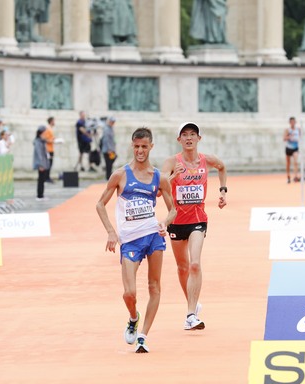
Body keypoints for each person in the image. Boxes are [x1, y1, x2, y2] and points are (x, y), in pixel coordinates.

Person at [96, 127, 176, 354]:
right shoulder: (120, 175)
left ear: (151, 146)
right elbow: (100, 204)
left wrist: (165, 223)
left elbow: (173, 211)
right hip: (130, 241)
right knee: (129, 293)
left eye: (144, 146)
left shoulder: (159, 177)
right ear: (132, 146)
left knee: (154, 286)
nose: (140, 151)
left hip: (153, 236)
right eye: (137, 146)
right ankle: (133, 317)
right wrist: (111, 232)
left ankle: (143, 336)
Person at [161, 122, 227, 331]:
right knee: (182, 267)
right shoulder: (172, 161)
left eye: (192, 134)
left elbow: (222, 167)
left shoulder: (206, 160)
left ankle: (190, 315)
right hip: (176, 221)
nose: (189, 138)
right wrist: (173, 176)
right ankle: (192, 302)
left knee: (195, 264)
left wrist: (223, 191)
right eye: (184, 135)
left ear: (199, 138)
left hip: (198, 219)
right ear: (178, 140)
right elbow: (158, 188)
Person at [33, 126, 50, 201]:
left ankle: (41, 194)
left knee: (42, 179)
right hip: (41, 163)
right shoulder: (38, 142)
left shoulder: (42, 141)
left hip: (43, 162)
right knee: (41, 179)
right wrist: (40, 164)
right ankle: (39, 195)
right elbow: (39, 154)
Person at [284, 117, 300, 183]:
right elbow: (284, 138)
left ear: (295, 122)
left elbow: (300, 137)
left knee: (295, 162)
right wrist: (290, 137)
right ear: (290, 123)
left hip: (295, 148)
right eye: (291, 122)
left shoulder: (298, 129)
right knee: (288, 163)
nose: (293, 123)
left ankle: (295, 176)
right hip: (288, 148)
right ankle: (288, 176)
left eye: (294, 121)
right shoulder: (288, 130)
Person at [41, 117, 56, 182]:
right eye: (53, 121)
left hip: (51, 149)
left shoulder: (50, 129)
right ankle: (46, 177)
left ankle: (47, 177)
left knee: (50, 163)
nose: (54, 122)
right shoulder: (48, 129)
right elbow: (45, 139)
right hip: (48, 149)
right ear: (51, 121)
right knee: (48, 164)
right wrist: (52, 140)